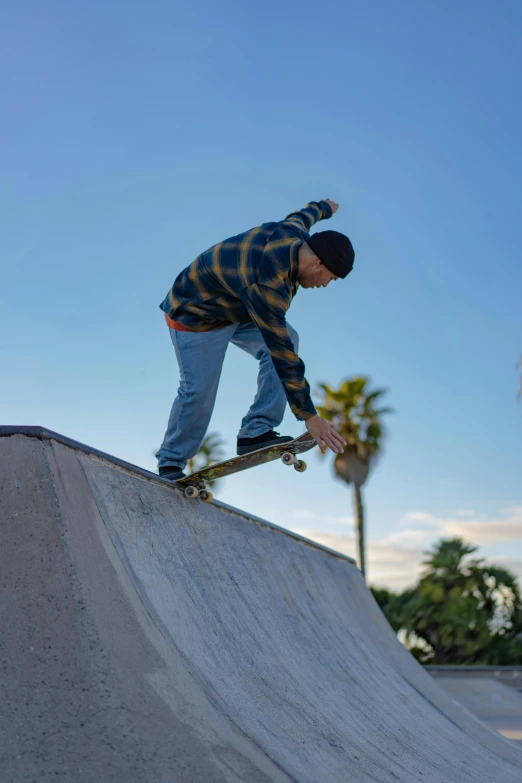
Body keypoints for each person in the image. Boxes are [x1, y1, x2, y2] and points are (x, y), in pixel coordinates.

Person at [156, 198, 354, 480]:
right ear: (318, 262)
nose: (324, 285)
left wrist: (324, 207)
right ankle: (170, 462)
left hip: (237, 307)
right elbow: (281, 352)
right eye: (329, 278)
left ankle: (256, 430)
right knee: (198, 392)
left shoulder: (294, 233)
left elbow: (302, 215)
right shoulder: (268, 282)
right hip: (195, 314)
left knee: (291, 336)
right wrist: (309, 416)